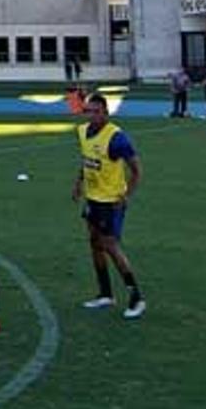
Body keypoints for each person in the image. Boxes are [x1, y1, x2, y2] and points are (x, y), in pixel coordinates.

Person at [71, 93, 145, 318]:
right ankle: (106, 294)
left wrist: (126, 195)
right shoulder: (83, 132)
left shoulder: (117, 138)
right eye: (89, 111)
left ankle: (136, 297)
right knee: (94, 243)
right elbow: (87, 161)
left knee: (110, 245)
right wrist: (79, 183)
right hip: (93, 198)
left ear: (106, 113)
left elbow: (136, 170)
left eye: (96, 111)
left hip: (111, 201)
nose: (92, 115)